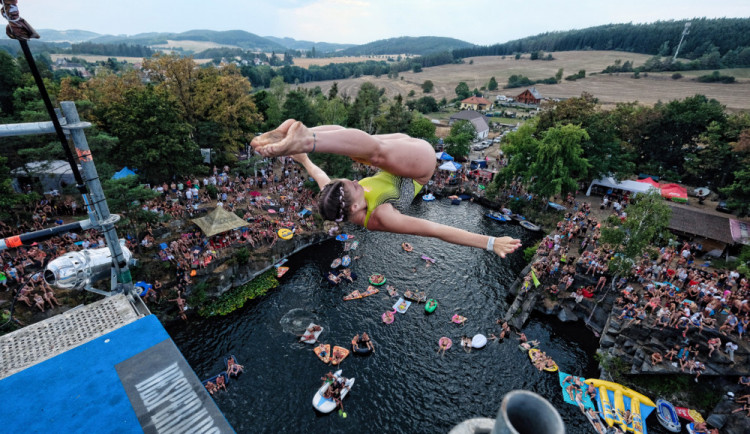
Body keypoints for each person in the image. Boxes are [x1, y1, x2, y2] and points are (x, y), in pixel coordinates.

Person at [251, 121, 522, 258]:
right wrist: (490, 242)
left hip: (400, 150)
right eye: (354, 187)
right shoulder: (381, 217)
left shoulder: (335, 199)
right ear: (356, 207)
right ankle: (306, 139)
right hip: (419, 163)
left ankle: (298, 137)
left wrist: (302, 159)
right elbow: (438, 231)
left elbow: (318, 174)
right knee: (374, 154)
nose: (357, 182)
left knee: (357, 144)